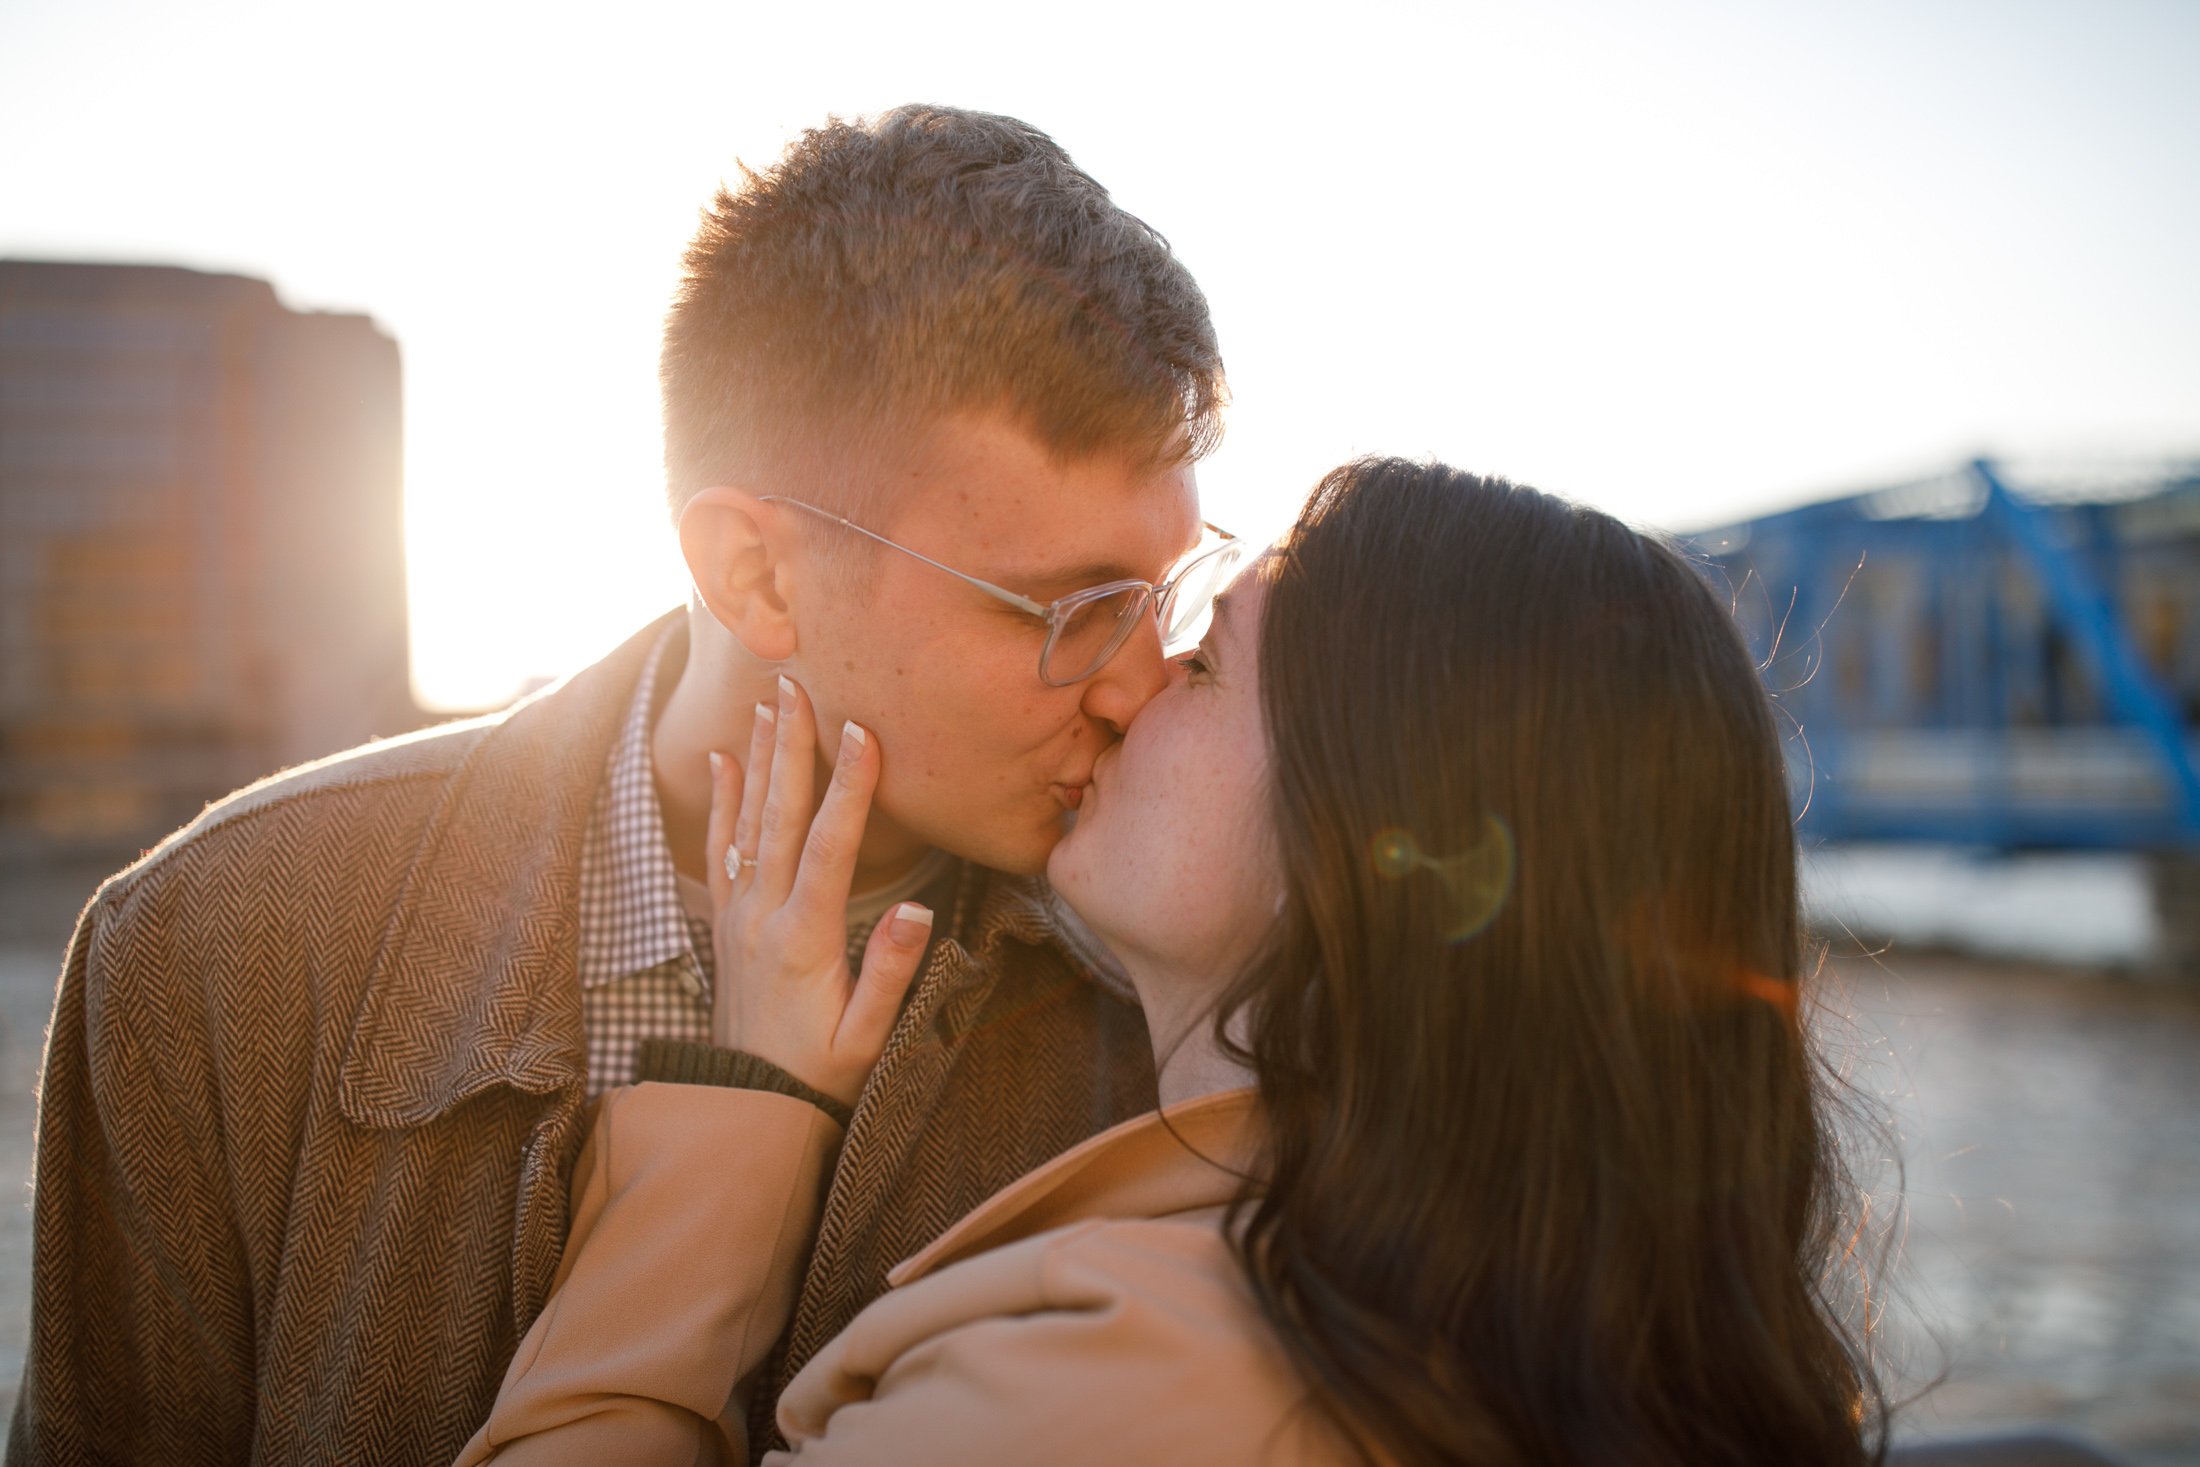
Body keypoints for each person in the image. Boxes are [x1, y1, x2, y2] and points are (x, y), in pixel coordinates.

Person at [9, 106, 1229, 1465]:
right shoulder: (214, 944)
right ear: (756, 576)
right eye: (1066, 610)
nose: (1136, 686)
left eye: (1162, 595)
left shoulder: (1159, 1007)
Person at [459, 458, 1888, 1465]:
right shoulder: (1563, 1332)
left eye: (1203, 664)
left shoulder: (1130, 1392)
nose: (1132, 680)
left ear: (1361, 844)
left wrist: (746, 1114)